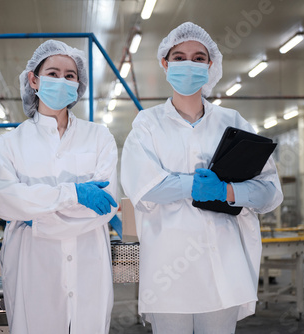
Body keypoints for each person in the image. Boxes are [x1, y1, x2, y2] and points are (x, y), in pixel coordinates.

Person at [121, 22, 283, 334]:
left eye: (198, 57)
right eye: (179, 57)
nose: (188, 64)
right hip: (169, 272)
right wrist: (195, 186)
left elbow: (270, 192)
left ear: (210, 66)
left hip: (223, 267)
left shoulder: (232, 122)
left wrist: (228, 191)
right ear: (165, 64)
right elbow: (145, 186)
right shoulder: (147, 124)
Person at [0, 40, 118, 334]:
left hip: (89, 268)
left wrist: (35, 220)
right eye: (53, 73)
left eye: (70, 75)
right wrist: (74, 194)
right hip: (32, 270)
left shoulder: (99, 138)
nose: (62, 81)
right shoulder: (7, 146)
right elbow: (7, 203)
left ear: (78, 83)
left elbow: (106, 206)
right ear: (34, 79)